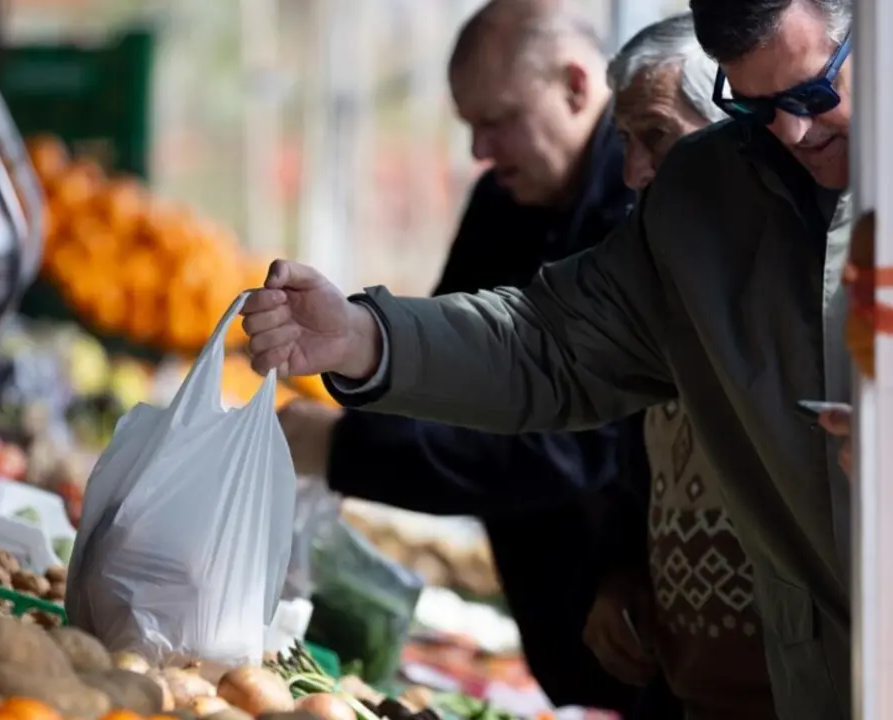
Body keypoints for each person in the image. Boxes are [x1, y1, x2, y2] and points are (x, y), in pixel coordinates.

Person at [239, 0, 855, 716]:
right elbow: (549, 342)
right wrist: (362, 337)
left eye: (811, 95)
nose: (791, 129)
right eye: (749, 107)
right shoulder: (706, 196)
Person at [276, 1, 670, 714]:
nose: (481, 152)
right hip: (560, 613)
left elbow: (573, 448)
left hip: (649, 623)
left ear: (577, 86)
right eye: (469, 128)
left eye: (498, 120)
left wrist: (346, 448)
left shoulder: (646, 206)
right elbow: (448, 378)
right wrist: (362, 347)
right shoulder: (504, 201)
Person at [578, 14, 778, 719]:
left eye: (657, 137)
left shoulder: (807, 280)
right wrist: (623, 573)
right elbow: (634, 473)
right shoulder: (658, 279)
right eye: (626, 143)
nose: (634, 172)